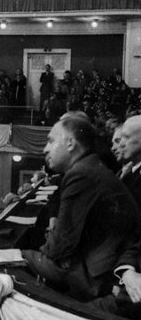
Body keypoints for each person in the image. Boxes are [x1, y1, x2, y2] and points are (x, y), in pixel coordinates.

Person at [23, 115, 139, 300]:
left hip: (103, 282)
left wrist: (22, 255)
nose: (45, 149)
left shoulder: (82, 173)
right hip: (105, 270)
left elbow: (58, 249)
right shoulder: (87, 168)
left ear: (70, 143)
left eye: (51, 141)